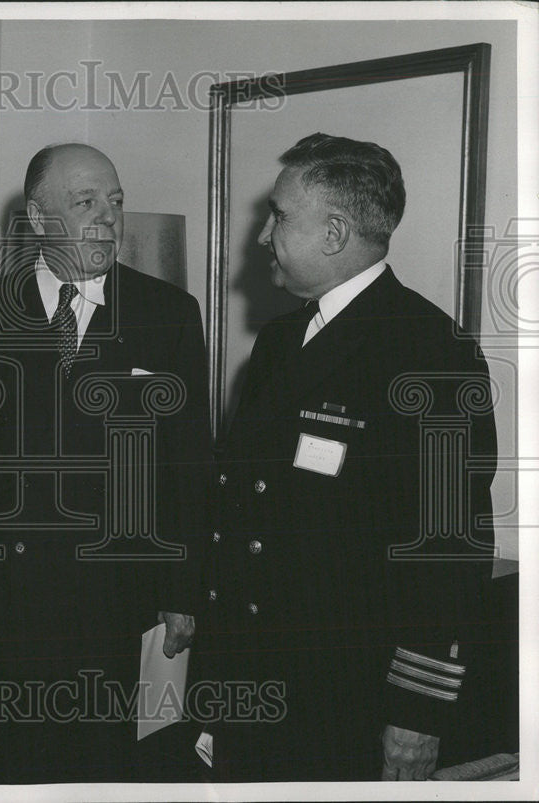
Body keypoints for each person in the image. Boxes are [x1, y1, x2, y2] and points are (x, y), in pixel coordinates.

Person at [198, 133, 497, 781]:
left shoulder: (430, 352)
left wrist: (417, 712)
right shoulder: (280, 340)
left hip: (343, 697)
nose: (261, 237)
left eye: (278, 216)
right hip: (250, 678)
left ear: (334, 233)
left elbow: (448, 550)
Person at [0, 143, 209, 782]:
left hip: (108, 600)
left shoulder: (169, 316)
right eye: (85, 203)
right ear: (36, 217)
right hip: (1, 600)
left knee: (95, 770)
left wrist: (182, 590)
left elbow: (187, 464)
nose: (108, 217)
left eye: (116, 201)